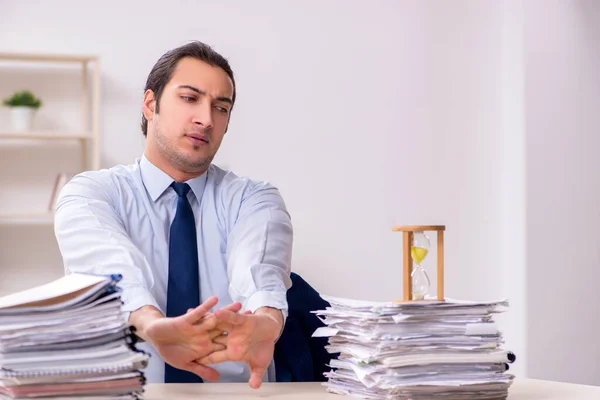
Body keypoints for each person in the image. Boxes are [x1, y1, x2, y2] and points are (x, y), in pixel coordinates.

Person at [53, 41, 293, 389]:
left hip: (235, 394)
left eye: (220, 107)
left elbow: (258, 273)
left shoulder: (253, 198)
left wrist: (267, 324)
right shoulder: (92, 193)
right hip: (125, 394)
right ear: (150, 105)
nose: (206, 119)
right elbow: (114, 273)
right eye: (190, 98)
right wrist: (153, 325)